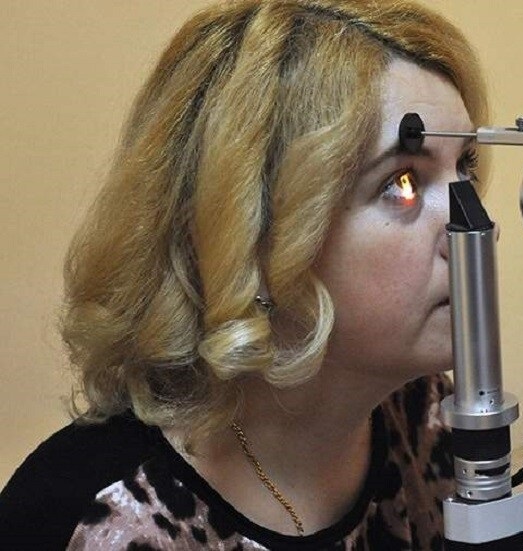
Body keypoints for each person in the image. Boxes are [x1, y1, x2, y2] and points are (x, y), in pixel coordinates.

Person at [0, 0, 487, 548]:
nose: (477, 230)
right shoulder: (90, 517)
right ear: (248, 234)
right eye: (403, 181)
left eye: (466, 166)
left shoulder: (431, 420)